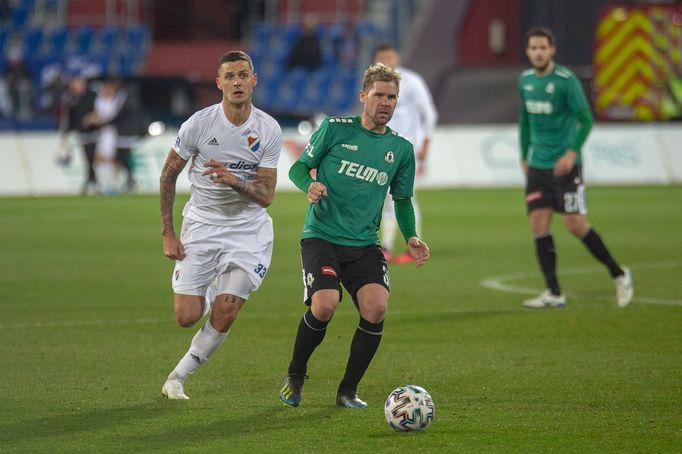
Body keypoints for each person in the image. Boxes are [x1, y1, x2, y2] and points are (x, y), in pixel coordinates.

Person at [278, 62, 430, 409]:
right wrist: (310, 185)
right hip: (322, 237)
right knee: (325, 305)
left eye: (392, 97)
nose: (386, 103)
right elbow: (298, 167)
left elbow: (402, 200)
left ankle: (348, 390)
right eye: (379, 95)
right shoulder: (335, 129)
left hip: (364, 244)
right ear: (364, 96)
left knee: (376, 308)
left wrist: (411, 236)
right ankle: (296, 374)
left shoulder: (401, 150)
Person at [159, 50, 282, 399]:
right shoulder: (199, 124)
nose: (237, 82)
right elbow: (168, 175)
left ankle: (177, 378)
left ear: (254, 80)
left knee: (227, 310)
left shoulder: (267, 130)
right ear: (219, 83)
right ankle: (210, 285)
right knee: (187, 316)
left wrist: (233, 181)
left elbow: (267, 195)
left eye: (244, 75)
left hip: (248, 231)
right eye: (230, 76)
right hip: (202, 225)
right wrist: (168, 232)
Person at [518, 27, 633, 309]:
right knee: (538, 224)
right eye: (533, 48)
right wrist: (524, 156)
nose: (538, 52)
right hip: (538, 166)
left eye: (543, 47)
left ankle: (619, 274)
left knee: (575, 224)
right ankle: (554, 292)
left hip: (566, 166)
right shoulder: (525, 81)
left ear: (552, 50)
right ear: (528, 51)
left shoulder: (566, 81)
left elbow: (586, 120)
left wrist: (571, 153)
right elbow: (525, 120)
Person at [374, 44, 438, 264]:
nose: (386, 60)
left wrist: (426, 141)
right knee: (384, 198)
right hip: (383, 148)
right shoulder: (374, 83)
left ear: (397, 58)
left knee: (406, 197)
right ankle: (386, 247)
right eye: (382, 57)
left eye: (390, 56)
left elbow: (428, 112)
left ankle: (414, 247)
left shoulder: (412, 82)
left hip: (407, 148)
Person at [57, 72, 99, 195]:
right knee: (87, 157)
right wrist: (65, 133)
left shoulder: (93, 95)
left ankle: (94, 180)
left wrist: (93, 118)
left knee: (94, 157)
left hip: (96, 131)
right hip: (82, 132)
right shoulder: (69, 97)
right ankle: (92, 180)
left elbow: (101, 110)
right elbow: (68, 118)